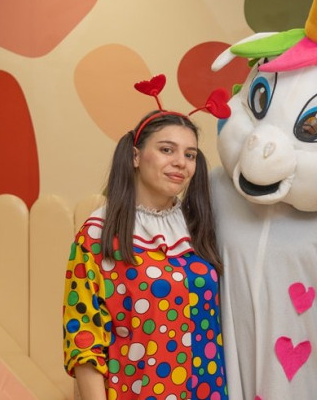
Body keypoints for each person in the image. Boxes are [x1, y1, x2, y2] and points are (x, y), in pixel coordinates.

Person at [62, 75, 228, 399]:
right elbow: (84, 337)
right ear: (136, 156)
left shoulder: (197, 229)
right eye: (167, 150)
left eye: (190, 155)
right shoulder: (98, 234)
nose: (180, 162)